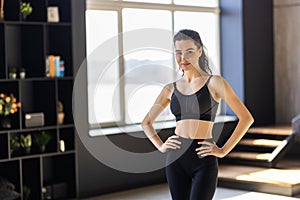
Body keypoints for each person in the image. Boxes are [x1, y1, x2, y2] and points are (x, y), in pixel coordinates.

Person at [141, 29, 254, 200]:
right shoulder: (170, 88)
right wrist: (161, 146)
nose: (183, 58)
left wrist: (223, 150)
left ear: (200, 51)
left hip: (203, 157)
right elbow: (146, 122)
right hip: (176, 158)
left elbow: (246, 118)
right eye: (178, 53)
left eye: (189, 52)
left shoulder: (215, 82)